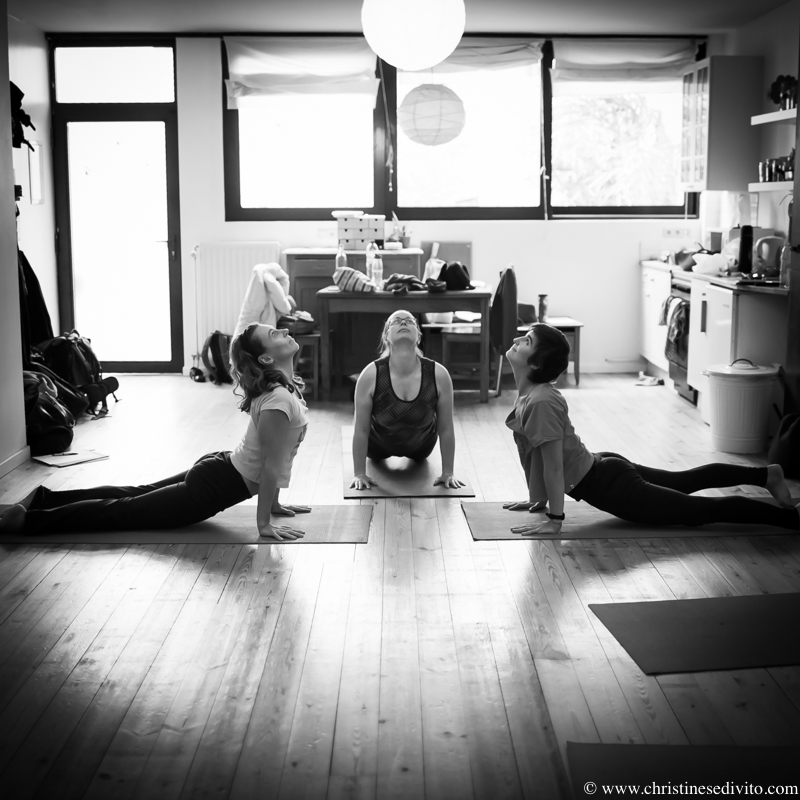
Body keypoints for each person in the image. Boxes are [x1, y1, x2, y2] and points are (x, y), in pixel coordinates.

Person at [0, 323, 311, 541]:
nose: (284, 330)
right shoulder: (279, 399)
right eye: (275, 333)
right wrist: (263, 523)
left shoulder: (282, 391)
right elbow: (270, 465)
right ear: (266, 359)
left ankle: (42, 499)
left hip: (221, 470)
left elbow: (277, 455)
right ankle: (29, 519)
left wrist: (273, 505)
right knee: (124, 511)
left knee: (131, 495)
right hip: (213, 486)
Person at [504, 323, 800, 536]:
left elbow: (554, 467)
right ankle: (765, 475)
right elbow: (538, 454)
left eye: (526, 340)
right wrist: (537, 498)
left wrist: (555, 520)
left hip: (611, 486)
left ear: (537, 362)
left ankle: (792, 518)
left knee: (699, 510)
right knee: (685, 481)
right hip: (604, 470)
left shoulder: (540, 402)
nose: (517, 339)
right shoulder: (531, 396)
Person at [350, 310, 464, 491]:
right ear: (386, 336)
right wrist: (359, 473)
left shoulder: (439, 374)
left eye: (409, 321)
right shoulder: (370, 375)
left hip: (422, 446)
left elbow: (446, 428)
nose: (403, 323)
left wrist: (448, 472)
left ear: (418, 335)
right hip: (377, 446)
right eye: (396, 321)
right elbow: (361, 430)